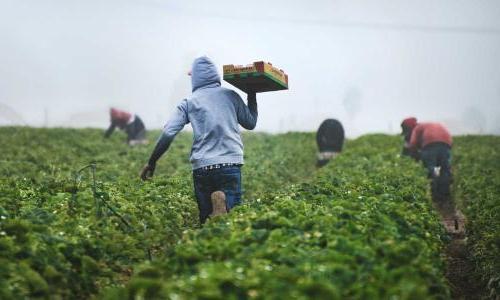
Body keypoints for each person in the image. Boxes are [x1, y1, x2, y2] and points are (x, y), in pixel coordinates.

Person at [140, 56, 258, 224]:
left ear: (194, 78)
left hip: (203, 167)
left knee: (205, 222)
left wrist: (152, 162)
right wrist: (252, 94)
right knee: (233, 220)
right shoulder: (231, 96)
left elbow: (168, 133)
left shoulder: (189, 102)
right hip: (229, 163)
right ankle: (223, 202)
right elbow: (251, 123)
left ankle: (212, 222)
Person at [401, 117, 453, 197]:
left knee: (430, 168)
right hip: (446, 143)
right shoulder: (430, 125)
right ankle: (445, 194)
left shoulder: (417, 128)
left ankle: (435, 194)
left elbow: (413, 144)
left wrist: (415, 156)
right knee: (445, 168)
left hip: (430, 144)